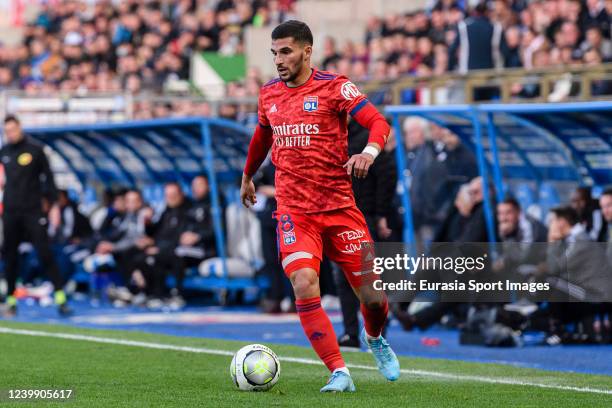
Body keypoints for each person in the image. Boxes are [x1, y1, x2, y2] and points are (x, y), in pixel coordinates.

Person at [240, 20, 399, 392]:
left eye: (286, 51)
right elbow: (262, 136)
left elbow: (378, 122)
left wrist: (368, 153)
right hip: (295, 212)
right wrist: (248, 175)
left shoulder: (334, 87)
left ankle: (374, 337)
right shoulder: (269, 95)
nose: (279, 60)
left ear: (307, 51)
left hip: (340, 209)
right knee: (303, 280)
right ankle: (338, 371)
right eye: (274, 53)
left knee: (373, 298)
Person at [0, 115, 71, 317]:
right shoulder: (4, 152)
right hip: (11, 211)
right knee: (10, 256)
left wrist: (54, 206)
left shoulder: (35, 150)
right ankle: (11, 300)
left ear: (20, 127)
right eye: (7, 131)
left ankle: (60, 298)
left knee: (45, 253)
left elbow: (49, 179)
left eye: (13, 129)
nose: (10, 134)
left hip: (33, 211)